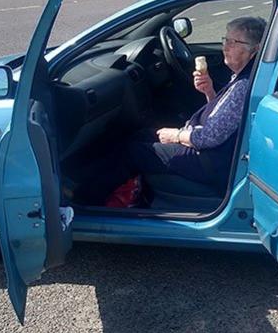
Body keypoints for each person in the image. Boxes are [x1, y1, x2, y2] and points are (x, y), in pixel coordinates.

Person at [97, 16, 266, 204]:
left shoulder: (245, 85)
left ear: (255, 50)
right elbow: (226, 118)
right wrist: (209, 91)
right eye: (225, 39)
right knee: (142, 135)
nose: (225, 46)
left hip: (208, 159)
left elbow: (209, 138)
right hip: (210, 149)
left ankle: (88, 201)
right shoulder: (246, 75)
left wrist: (176, 135)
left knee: (132, 151)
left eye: (234, 42)